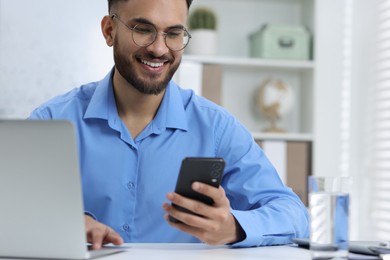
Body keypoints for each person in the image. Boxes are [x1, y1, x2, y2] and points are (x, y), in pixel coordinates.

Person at [29, 0, 309, 249]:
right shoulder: (52, 122)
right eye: (142, 29)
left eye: (173, 33)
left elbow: (293, 214)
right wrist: (67, 222)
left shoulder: (216, 128)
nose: (159, 48)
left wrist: (232, 227)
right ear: (109, 31)